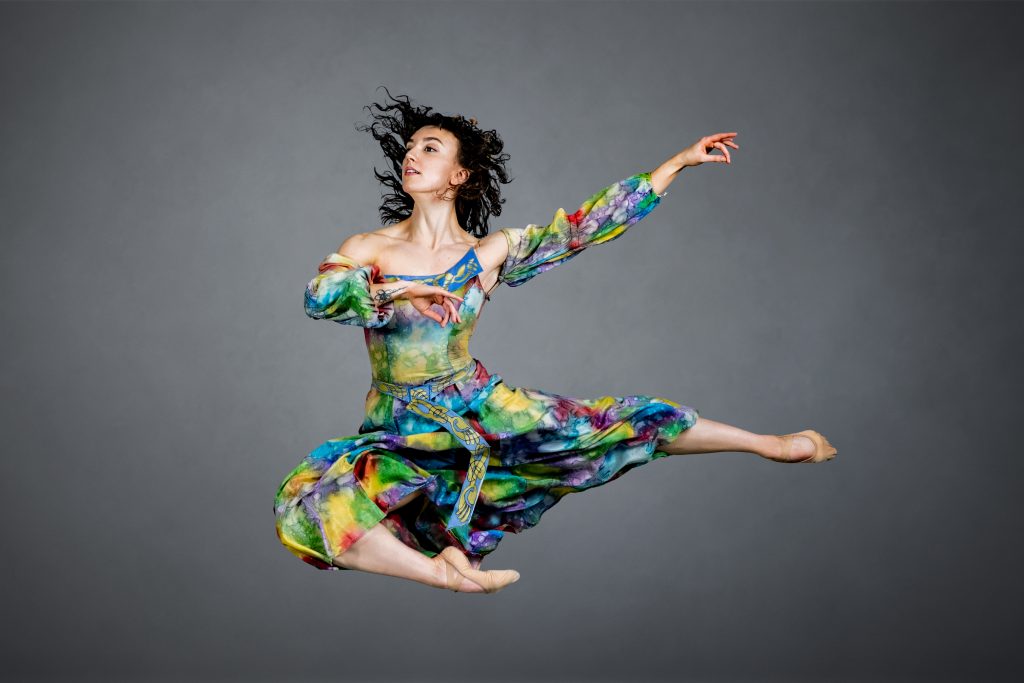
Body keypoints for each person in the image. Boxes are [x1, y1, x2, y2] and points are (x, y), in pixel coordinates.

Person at [273, 89, 837, 594]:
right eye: (411, 147)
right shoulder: (369, 247)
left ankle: (769, 444)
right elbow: (320, 297)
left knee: (621, 424)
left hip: (478, 409)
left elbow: (583, 228)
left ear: (460, 175)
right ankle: (442, 571)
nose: (412, 155)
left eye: (430, 148)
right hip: (397, 425)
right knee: (306, 510)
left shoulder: (488, 253)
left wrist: (674, 166)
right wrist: (402, 291)